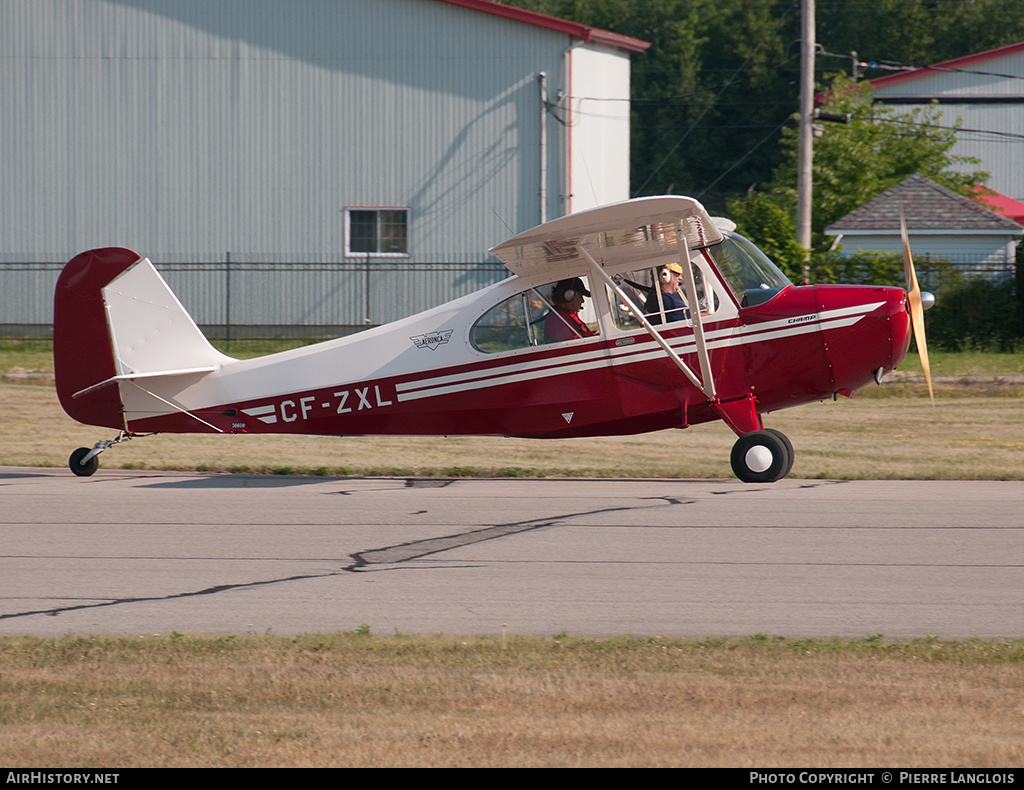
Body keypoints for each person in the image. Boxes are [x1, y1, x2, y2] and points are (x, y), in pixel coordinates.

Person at [544, 278, 597, 343]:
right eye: (580, 296)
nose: (583, 301)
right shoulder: (556, 319)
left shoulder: (569, 315)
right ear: (569, 295)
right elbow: (574, 345)